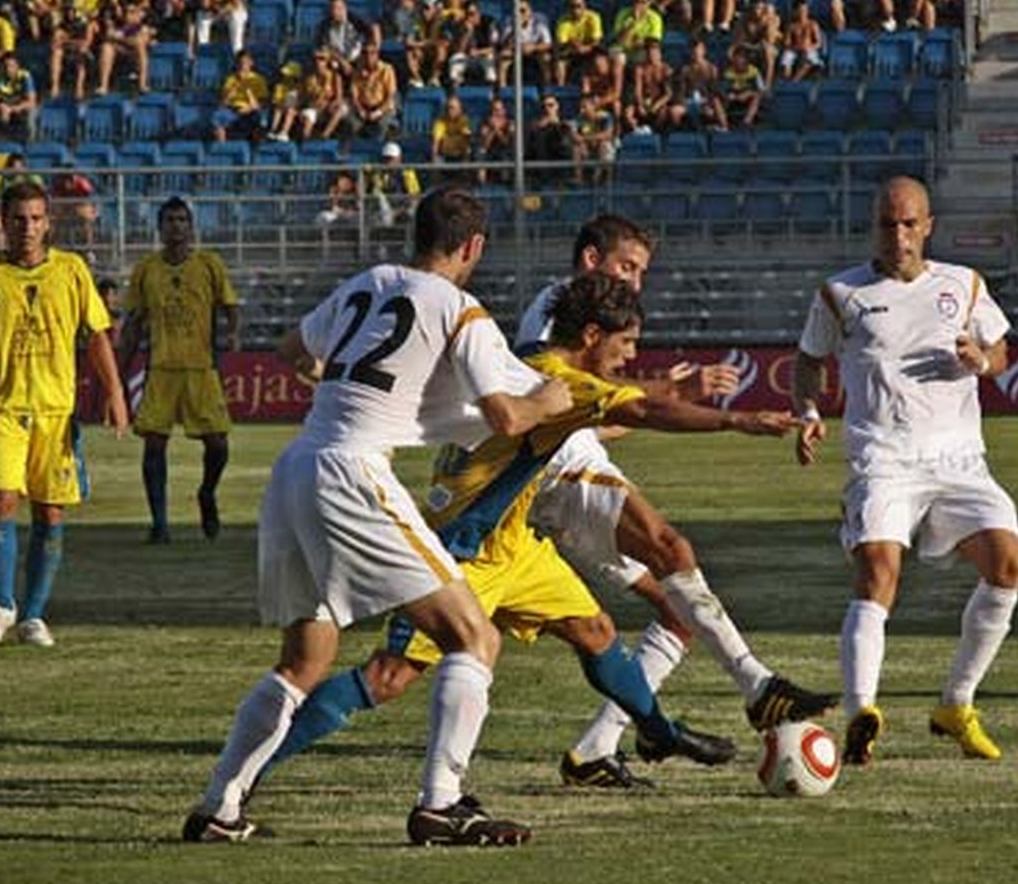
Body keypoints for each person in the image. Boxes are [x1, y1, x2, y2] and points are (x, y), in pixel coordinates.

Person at [260, 272, 801, 787]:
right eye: (627, 342)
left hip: (515, 543)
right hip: (464, 551)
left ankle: (659, 734)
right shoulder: (557, 380)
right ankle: (255, 766)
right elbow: (642, 412)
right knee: (388, 678)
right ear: (592, 335)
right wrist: (738, 420)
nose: (631, 355)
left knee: (597, 632)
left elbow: (614, 413)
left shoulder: (522, 362)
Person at [182, 187, 571, 845]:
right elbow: (507, 416)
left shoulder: (371, 281)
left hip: (297, 466)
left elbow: (293, 349)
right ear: (472, 247)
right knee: (474, 636)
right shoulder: (458, 307)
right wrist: (550, 402)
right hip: (354, 471)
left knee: (306, 657)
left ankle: (219, 808)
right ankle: (441, 805)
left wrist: (355, 387)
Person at [513, 215, 836, 787]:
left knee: (676, 610)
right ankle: (758, 687)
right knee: (671, 547)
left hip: (563, 470)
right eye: (626, 267)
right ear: (591, 261)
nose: (635, 283)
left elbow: (596, 413)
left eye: (641, 272)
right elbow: (557, 399)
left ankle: (595, 749)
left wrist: (657, 403)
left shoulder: (570, 315)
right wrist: (713, 413)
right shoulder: (557, 307)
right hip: (564, 475)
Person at [791, 176, 1018, 766]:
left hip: (959, 460)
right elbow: (806, 361)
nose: (896, 235)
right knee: (878, 572)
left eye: (907, 223)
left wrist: (982, 360)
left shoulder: (964, 284)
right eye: (886, 224)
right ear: (873, 226)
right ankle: (860, 712)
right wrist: (808, 410)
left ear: (927, 226)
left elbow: (1000, 350)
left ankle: (956, 703)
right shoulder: (841, 293)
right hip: (883, 459)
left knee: (1009, 564)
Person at [0, 181, 129, 648]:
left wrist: (115, 393)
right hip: (4, 409)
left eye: (36, 218)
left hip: (57, 413)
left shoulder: (72, 270)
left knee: (50, 511)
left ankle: (35, 616)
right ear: (3, 222)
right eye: (18, 219)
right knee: (0, 499)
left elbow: (98, 335)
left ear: (49, 223)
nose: (27, 227)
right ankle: (3, 605)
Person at [117, 198, 241, 543]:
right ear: (160, 227)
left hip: (201, 369)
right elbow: (133, 325)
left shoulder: (209, 265)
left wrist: (232, 333)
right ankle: (160, 523)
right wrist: (118, 371)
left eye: (182, 220)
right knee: (154, 445)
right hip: (161, 369)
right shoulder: (146, 270)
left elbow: (230, 306)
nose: (176, 225)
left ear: (191, 227)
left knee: (218, 444)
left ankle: (207, 493)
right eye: (170, 220)